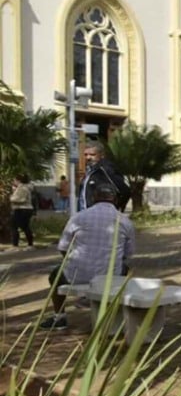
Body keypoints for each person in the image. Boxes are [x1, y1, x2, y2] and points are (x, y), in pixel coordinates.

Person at [40, 183, 136, 330]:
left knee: (55, 274)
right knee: (127, 271)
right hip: (109, 277)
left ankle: (59, 317)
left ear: (93, 198)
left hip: (75, 275)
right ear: (115, 200)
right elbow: (128, 254)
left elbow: (63, 248)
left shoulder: (78, 217)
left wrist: (73, 260)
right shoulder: (124, 221)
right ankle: (115, 314)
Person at [78, 141, 130, 212]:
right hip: (86, 215)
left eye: (92, 154)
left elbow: (125, 191)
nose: (88, 157)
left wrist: (116, 209)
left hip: (99, 215)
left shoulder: (105, 169)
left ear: (102, 155)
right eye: (85, 155)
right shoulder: (89, 171)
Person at [10, 175, 35, 248]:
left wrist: (12, 199)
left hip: (22, 209)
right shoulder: (25, 188)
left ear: (19, 181)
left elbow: (21, 199)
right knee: (25, 227)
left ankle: (15, 245)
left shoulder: (22, 188)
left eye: (15, 180)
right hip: (25, 209)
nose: (14, 182)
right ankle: (30, 244)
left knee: (14, 226)